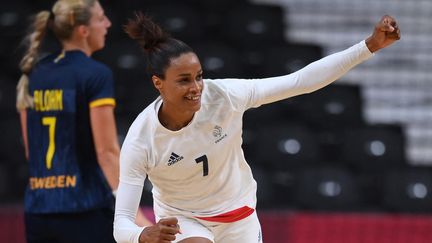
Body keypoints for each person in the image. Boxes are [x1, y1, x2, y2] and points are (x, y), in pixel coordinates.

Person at [113, 12, 400, 243]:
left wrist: (369, 46)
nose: (196, 88)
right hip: (185, 221)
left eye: (199, 77)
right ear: (157, 83)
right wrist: (141, 235)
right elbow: (121, 222)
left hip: (240, 217)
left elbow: (300, 81)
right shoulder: (142, 139)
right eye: (184, 80)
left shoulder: (224, 96)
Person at [16, 1, 151, 242]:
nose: (108, 24)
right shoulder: (95, 74)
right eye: (101, 18)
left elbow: (30, 151)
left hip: (38, 209)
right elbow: (107, 152)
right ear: (83, 30)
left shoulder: (33, 72)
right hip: (85, 210)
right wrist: (131, 214)